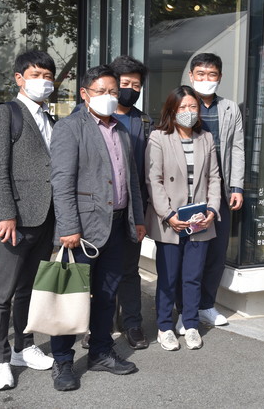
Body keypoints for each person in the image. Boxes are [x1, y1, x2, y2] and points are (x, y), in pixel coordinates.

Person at [49, 65, 146, 391]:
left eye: (113, 92)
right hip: (82, 230)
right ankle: (63, 361)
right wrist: (68, 226)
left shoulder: (122, 130)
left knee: (106, 295)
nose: (109, 97)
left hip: (118, 226)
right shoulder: (69, 127)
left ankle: (101, 352)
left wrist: (138, 219)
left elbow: (131, 180)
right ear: (85, 94)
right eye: (101, 91)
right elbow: (62, 182)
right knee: (71, 297)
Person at [0, 50, 57, 391]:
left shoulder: (50, 118)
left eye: (48, 76)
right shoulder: (4, 114)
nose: (43, 81)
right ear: (19, 78)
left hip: (44, 217)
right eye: (36, 74)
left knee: (28, 288)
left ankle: (23, 348)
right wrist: (5, 213)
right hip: (14, 219)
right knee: (1, 293)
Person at [145, 86, 221, 351]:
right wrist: (168, 215)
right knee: (168, 278)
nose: (188, 112)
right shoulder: (159, 137)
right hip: (171, 220)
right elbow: (153, 180)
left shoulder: (206, 138)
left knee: (193, 277)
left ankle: (190, 324)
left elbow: (214, 177)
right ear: (172, 110)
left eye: (193, 107)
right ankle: (164, 327)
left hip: (199, 220)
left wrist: (212, 210)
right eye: (183, 107)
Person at [175, 52, 244, 332]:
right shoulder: (183, 104)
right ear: (191, 76)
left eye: (212, 74)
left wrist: (236, 186)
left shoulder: (229, 108)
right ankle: (184, 309)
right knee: (188, 255)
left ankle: (205, 305)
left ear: (220, 77)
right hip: (187, 192)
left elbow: (237, 147)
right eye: (201, 74)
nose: (206, 79)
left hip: (219, 191)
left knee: (216, 253)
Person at [106, 55, 154, 350]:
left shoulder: (143, 121)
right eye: (125, 83)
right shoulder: (87, 116)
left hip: (132, 208)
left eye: (136, 85)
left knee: (128, 269)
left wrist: (143, 214)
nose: (131, 89)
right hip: (98, 209)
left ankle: (133, 323)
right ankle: (98, 324)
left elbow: (149, 170)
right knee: (98, 270)